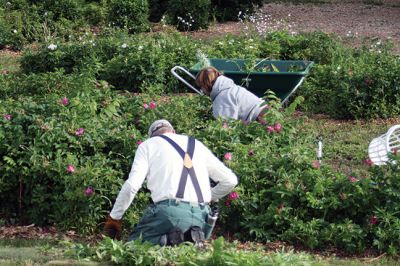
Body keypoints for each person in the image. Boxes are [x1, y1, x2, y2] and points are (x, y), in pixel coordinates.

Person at [104, 119, 238, 246]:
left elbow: (132, 186)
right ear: (173, 131)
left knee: (133, 246)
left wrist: (114, 218)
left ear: (152, 136)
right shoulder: (196, 144)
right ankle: (188, 241)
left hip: (169, 213)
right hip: (202, 217)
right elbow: (230, 180)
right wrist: (209, 198)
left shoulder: (148, 145)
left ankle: (166, 242)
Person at [195, 66, 268, 124]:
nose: (202, 90)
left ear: (206, 84)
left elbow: (226, 125)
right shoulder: (228, 88)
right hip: (268, 111)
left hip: (262, 119)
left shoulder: (223, 97)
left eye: (201, 86)